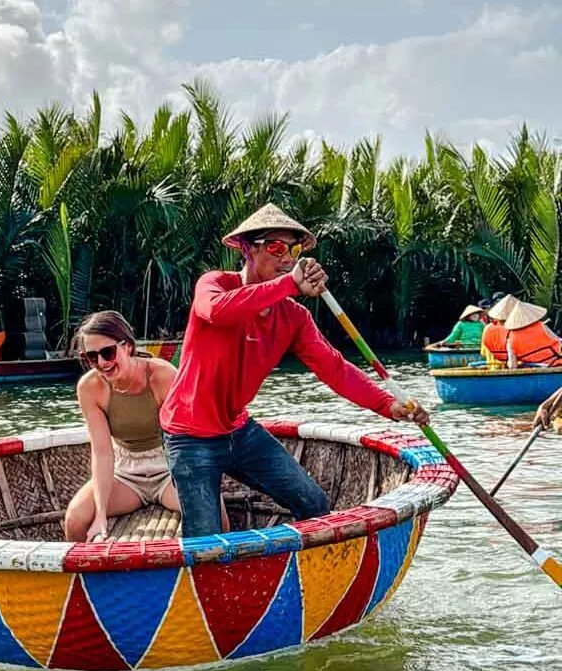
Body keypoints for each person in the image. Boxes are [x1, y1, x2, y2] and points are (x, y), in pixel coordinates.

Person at [159, 203, 429, 539]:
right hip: (189, 435)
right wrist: (290, 284)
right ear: (248, 249)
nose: (287, 258)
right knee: (204, 538)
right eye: (275, 247)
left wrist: (388, 405)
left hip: (238, 431)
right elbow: (214, 311)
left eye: (294, 249)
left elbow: (335, 369)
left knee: (314, 504)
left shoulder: (294, 318)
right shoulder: (215, 284)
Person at [64, 311, 186, 543]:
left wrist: (194, 480)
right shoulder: (89, 388)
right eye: (91, 357)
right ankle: (85, 577)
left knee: (211, 511)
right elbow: (102, 452)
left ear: (127, 346)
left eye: (108, 353)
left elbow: (186, 439)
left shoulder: (163, 375)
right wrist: (100, 514)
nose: (102, 363)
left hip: (169, 469)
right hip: (126, 473)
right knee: (75, 518)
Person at [504, 301, 562, 368]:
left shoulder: (510, 338)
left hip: (530, 368)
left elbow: (512, 365)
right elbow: (559, 343)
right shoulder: (541, 326)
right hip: (554, 363)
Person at [480, 294, 517, 368]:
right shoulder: (513, 329)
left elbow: (483, 353)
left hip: (492, 369)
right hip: (509, 369)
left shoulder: (487, 328)